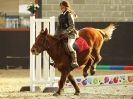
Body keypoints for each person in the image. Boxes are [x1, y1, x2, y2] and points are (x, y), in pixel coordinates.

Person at [55, 1, 78, 68]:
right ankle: (55, 61)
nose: (61, 8)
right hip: (62, 34)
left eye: (62, 6)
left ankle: (74, 60)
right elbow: (58, 27)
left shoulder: (69, 15)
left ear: (66, 7)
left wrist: (65, 32)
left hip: (71, 33)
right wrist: (56, 34)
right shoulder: (60, 16)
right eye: (60, 6)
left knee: (69, 45)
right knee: (56, 44)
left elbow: (72, 26)